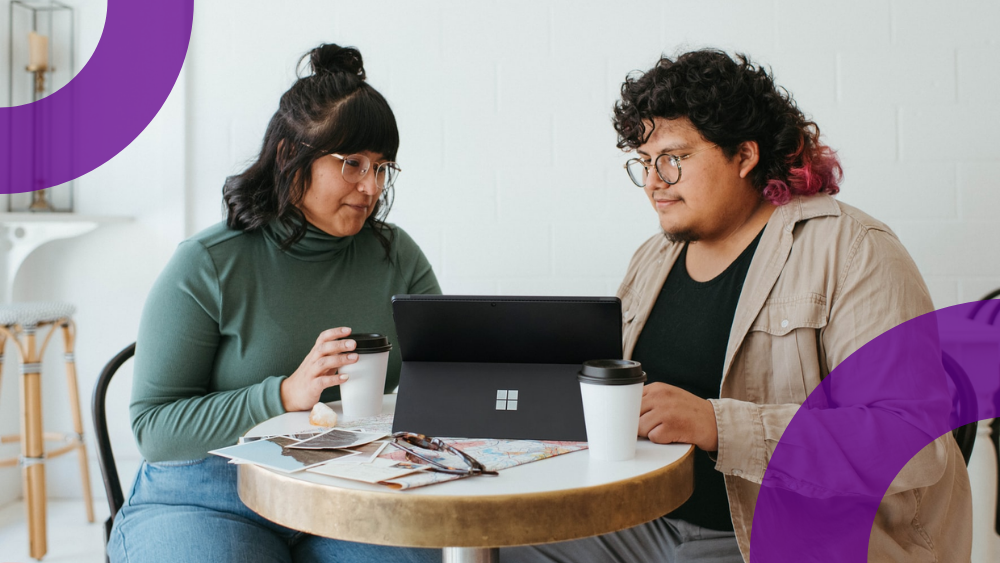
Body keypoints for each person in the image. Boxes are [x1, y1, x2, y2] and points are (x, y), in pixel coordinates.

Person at [506, 49, 971, 562]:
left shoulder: (854, 249)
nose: (654, 182)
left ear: (744, 156)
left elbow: (908, 441)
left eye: (673, 159)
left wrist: (716, 424)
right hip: (649, 519)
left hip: (781, 536)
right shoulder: (654, 258)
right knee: (502, 542)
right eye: (644, 163)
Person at [109, 44, 441, 563]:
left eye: (381, 168)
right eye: (352, 163)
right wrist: (285, 394)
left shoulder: (396, 255)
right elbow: (155, 427)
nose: (371, 186)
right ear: (291, 155)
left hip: (346, 490)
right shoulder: (208, 263)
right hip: (206, 495)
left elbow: (442, 376)